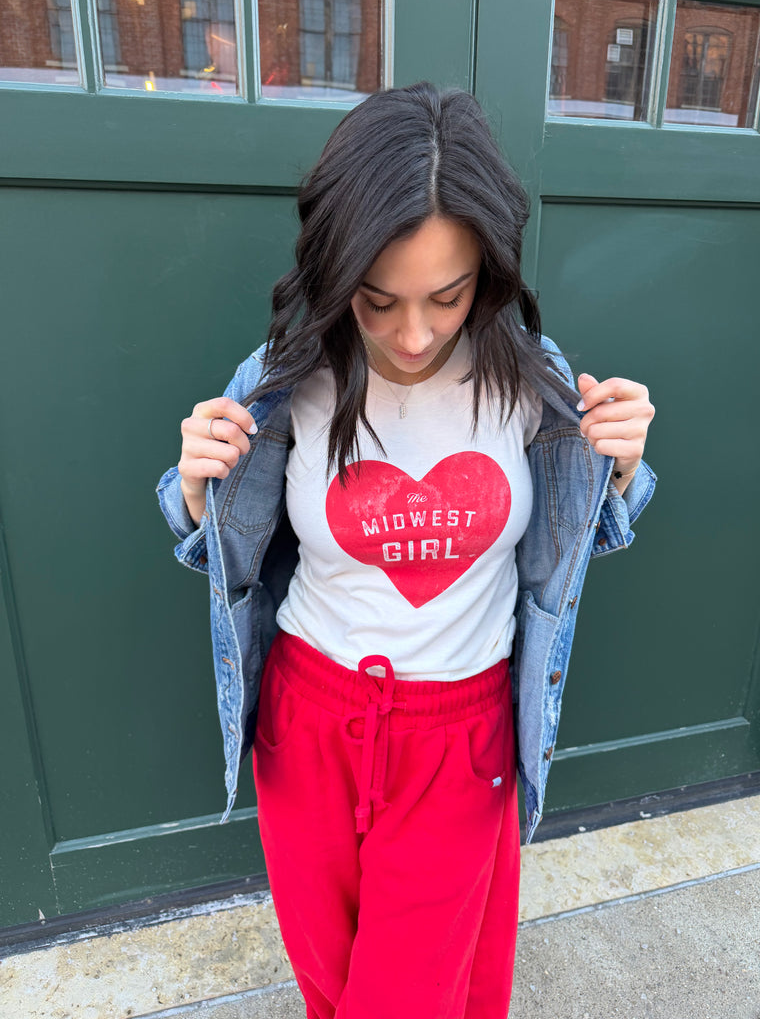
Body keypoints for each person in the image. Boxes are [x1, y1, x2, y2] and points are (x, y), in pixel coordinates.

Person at [157, 82, 655, 1019]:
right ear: (335, 264)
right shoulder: (282, 381)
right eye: (377, 299)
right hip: (305, 724)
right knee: (333, 992)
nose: (415, 334)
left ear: (489, 274)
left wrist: (621, 471)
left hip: (460, 743)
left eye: (447, 296)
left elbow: (583, 542)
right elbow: (218, 544)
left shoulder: (537, 388)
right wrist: (193, 487)